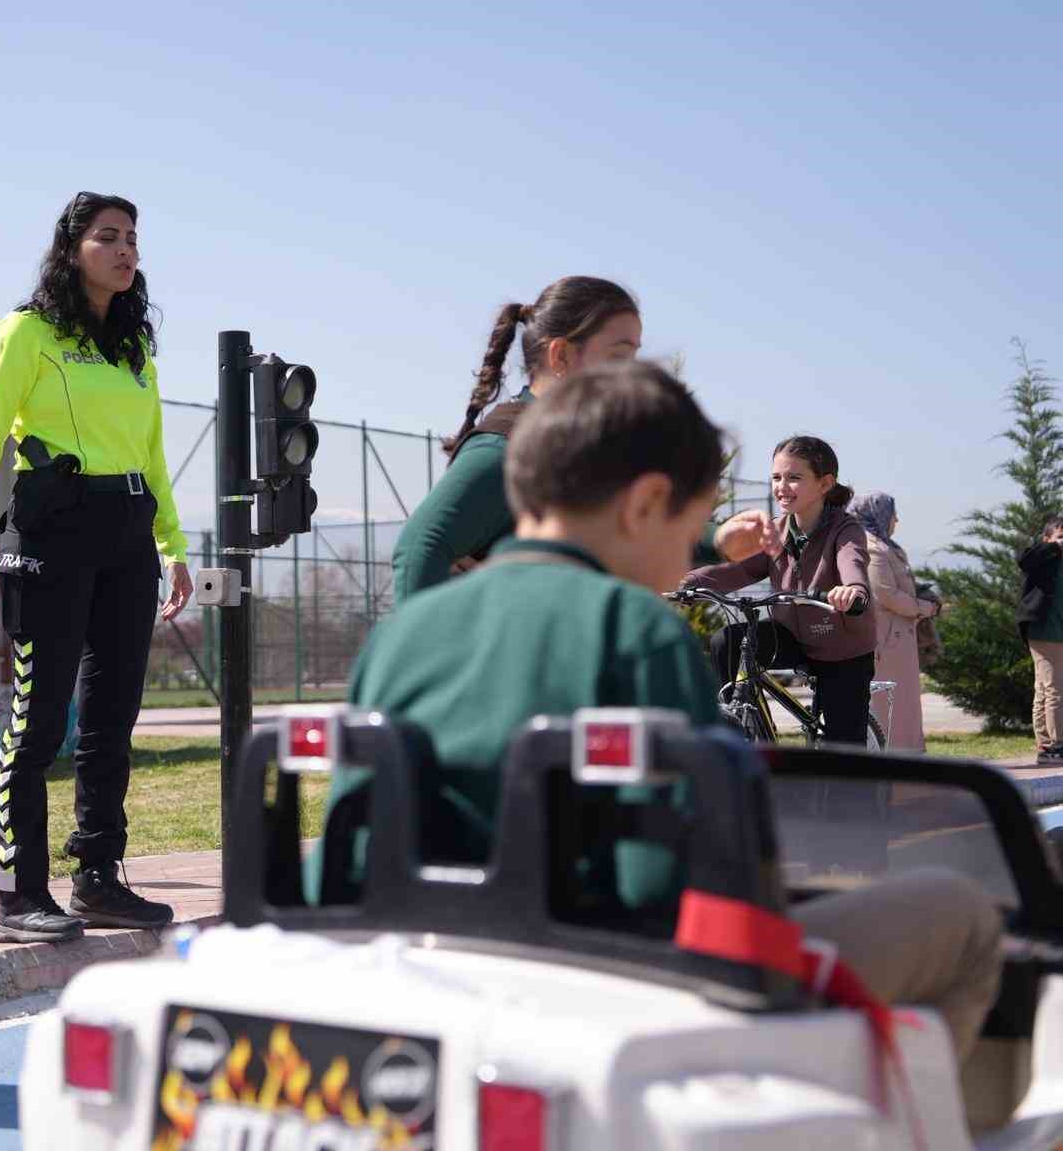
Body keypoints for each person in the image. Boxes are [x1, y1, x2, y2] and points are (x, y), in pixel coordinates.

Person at [326, 362, 1003, 1115]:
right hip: (625, 977)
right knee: (963, 916)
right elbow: (696, 868)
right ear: (646, 504)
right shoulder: (636, 632)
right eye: (693, 528)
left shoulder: (404, 634)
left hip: (441, 970)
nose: (693, 553)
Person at [0, 191, 194, 944]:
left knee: (112, 721)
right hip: (51, 532)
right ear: (72, 249)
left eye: (132, 238)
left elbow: (153, 455)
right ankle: (17, 893)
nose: (126, 250)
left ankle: (97, 878)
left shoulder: (134, 348)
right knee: (37, 719)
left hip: (127, 535)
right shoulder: (26, 332)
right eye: (108, 237)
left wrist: (174, 545)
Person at [389, 275, 778, 603]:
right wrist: (427, 656)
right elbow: (421, 545)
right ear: (560, 357)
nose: (632, 372)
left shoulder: (589, 449)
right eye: (619, 353)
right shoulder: (506, 449)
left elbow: (629, 536)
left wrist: (718, 539)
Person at [683, 435, 878, 748]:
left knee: (844, 750)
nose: (782, 486)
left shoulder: (845, 529)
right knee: (728, 641)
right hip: (792, 636)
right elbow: (741, 570)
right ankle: (744, 725)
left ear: (825, 484)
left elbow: (852, 561)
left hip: (841, 647)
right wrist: (689, 583)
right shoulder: (777, 530)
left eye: (794, 478)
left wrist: (853, 590)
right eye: (776, 477)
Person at [849, 491, 939, 752]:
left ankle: (909, 766)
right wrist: (925, 608)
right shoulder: (871, 547)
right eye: (892, 513)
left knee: (906, 707)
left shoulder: (884, 544)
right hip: (887, 643)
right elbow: (886, 594)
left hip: (898, 641)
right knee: (892, 709)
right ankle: (896, 768)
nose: (896, 520)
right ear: (877, 514)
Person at [1017, 517, 1063, 763]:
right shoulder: (1044, 559)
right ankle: (1056, 745)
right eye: (1060, 535)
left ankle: (1045, 745)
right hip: (1044, 632)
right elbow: (1024, 559)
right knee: (1055, 690)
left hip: (1059, 634)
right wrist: (1054, 546)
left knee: (1044, 690)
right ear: (1047, 539)